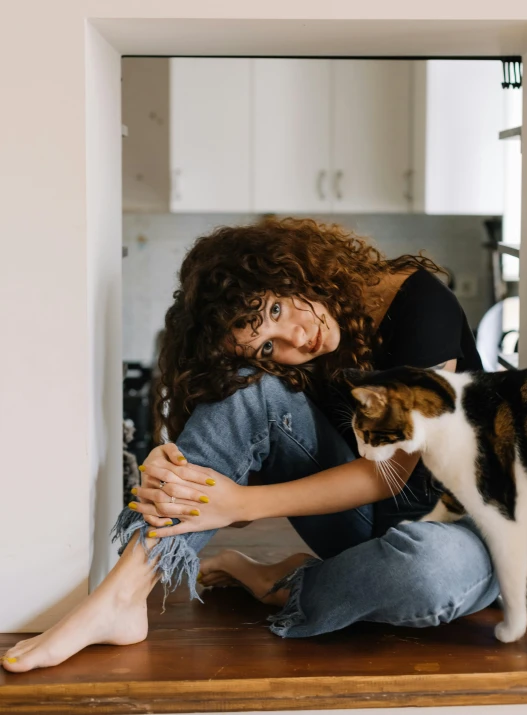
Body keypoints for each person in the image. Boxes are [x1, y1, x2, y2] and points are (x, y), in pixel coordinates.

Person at [1, 218, 499, 673]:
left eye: (277, 309)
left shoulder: (417, 305)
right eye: (267, 345)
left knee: (430, 575)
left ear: (291, 269)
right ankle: (122, 597)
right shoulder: (292, 359)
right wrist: (173, 467)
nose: (296, 339)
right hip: (361, 524)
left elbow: (391, 473)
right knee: (246, 387)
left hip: (465, 524)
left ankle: (283, 582)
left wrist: (236, 501)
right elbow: (236, 491)